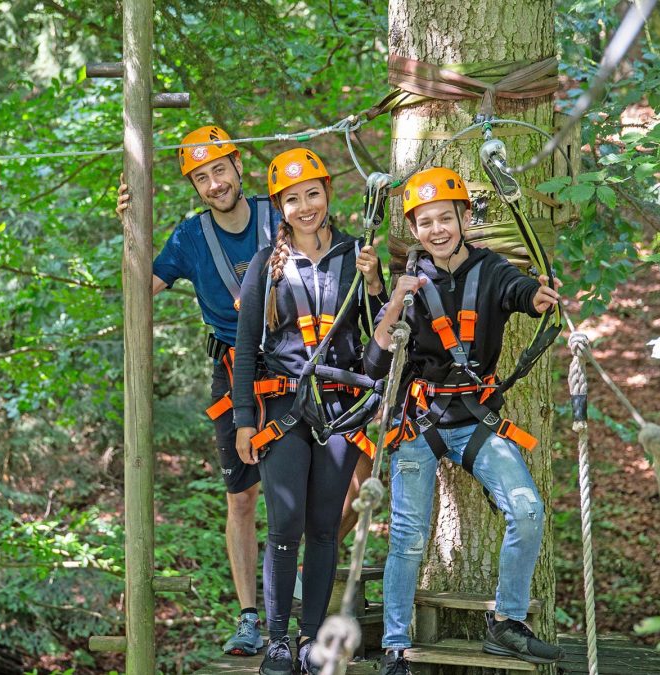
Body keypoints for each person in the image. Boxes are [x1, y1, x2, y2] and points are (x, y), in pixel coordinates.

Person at [365, 167, 563, 674]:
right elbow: (374, 364)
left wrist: (538, 298)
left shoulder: (492, 269)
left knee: (527, 510)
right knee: (409, 535)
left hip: (475, 421)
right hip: (421, 423)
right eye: (425, 221)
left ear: (465, 218)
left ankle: (507, 624)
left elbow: (521, 292)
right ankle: (394, 646)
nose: (437, 229)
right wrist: (392, 303)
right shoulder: (408, 284)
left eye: (446, 218)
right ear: (414, 229)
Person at [116, 124, 279, 655]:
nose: (215, 184)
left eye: (220, 170)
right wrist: (130, 231)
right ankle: (250, 616)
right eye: (202, 178)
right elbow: (139, 291)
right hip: (235, 371)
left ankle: (296, 577)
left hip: (295, 362)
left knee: (334, 483)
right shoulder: (189, 238)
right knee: (243, 497)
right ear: (195, 187)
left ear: (238, 167)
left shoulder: (280, 213)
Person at [232, 147, 386, 675]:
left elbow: (375, 340)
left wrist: (374, 285)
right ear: (279, 206)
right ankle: (277, 639)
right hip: (284, 408)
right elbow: (246, 345)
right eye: (292, 199)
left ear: (327, 194)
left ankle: (308, 638)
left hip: (340, 410)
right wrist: (244, 422)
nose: (305, 207)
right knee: (286, 524)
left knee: (324, 527)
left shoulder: (356, 255)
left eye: (312, 194)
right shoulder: (266, 266)